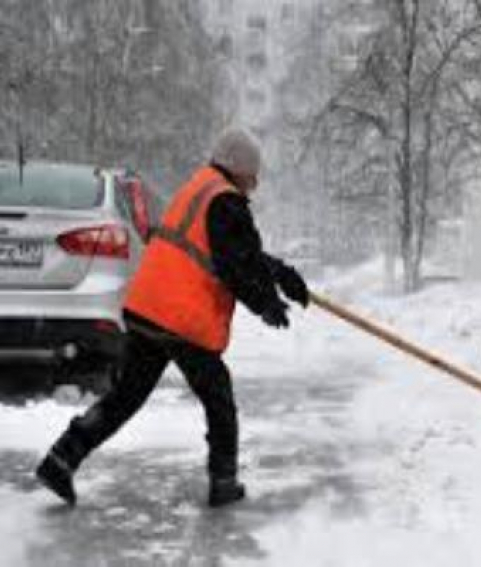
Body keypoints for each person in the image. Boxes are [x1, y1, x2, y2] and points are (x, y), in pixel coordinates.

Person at [35, 128, 309, 508]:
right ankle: (223, 480)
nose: (255, 183)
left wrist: (283, 276)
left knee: (125, 397)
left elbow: (238, 253)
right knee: (219, 397)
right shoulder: (226, 202)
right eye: (253, 173)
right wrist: (267, 303)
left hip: (149, 309)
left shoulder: (200, 189)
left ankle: (61, 459)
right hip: (181, 317)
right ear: (239, 167)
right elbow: (237, 264)